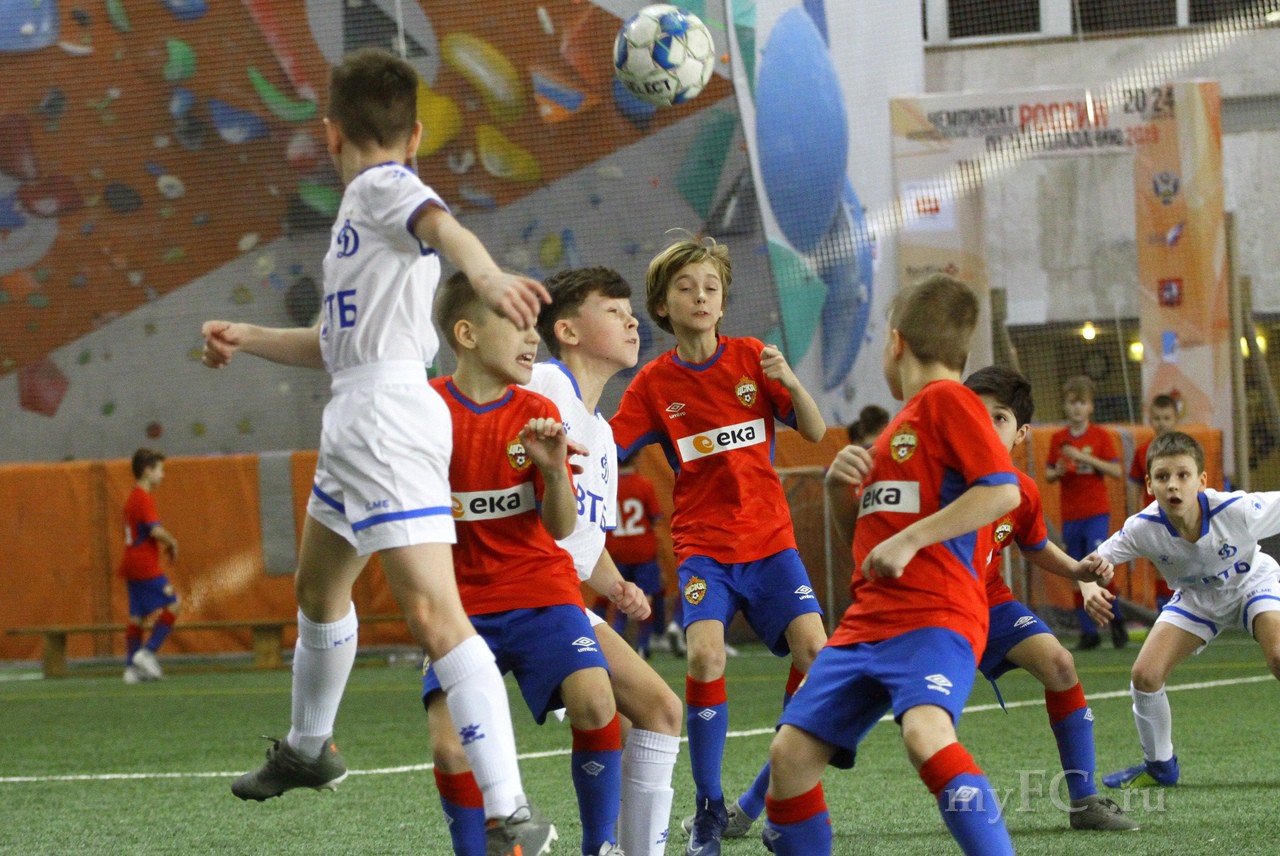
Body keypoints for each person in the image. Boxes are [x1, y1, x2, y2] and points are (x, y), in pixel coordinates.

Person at [199, 48, 553, 855]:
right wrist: (246, 335)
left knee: (433, 614)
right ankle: (309, 748)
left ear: (330, 133)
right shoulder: (362, 222)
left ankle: (511, 811)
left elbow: (443, 224)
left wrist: (487, 276)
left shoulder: (380, 185)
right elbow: (336, 347)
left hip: (387, 422)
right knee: (319, 587)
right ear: (417, 131)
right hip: (358, 415)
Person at [762, 273, 1022, 856]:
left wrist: (910, 540)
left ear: (896, 342)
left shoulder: (949, 400)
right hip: (867, 623)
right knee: (790, 756)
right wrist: (839, 494)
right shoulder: (894, 435)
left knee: (926, 734)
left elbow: (1002, 491)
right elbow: (866, 552)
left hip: (934, 616)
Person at [611, 233, 828, 856]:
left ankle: (762, 797)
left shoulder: (754, 357)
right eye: (686, 288)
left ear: (724, 302)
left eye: (711, 287)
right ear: (663, 306)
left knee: (817, 655)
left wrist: (791, 380)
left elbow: (814, 431)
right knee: (705, 658)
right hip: (704, 546)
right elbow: (608, 446)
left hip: (771, 543)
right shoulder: (653, 384)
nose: (701, 296)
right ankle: (708, 808)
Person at [424, 270, 621, 856]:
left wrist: (555, 470)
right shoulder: (426, 412)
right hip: (459, 605)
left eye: (535, 325)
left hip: (542, 590)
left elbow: (560, 527)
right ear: (466, 334)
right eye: (515, 323)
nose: (533, 337)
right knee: (449, 749)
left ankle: (601, 846)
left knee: (596, 701)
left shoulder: (538, 411)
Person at [526, 266, 683, 856]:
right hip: (515, 587)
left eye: (630, 310)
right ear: (566, 330)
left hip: (560, 593)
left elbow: (583, 547)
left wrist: (617, 586)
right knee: (633, 708)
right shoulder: (543, 383)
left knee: (656, 712)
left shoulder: (605, 440)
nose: (631, 320)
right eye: (613, 309)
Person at [963, 366, 1137, 831]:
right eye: (974, 413)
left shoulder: (1021, 491)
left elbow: (1035, 545)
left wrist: (1079, 572)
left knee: (1060, 664)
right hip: (931, 609)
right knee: (898, 707)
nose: (985, 425)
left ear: (1020, 433)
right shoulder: (938, 480)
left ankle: (1084, 801)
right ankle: (783, 796)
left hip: (989, 601)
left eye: (999, 417)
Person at [1086, 431, 1280, 790]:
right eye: (1162, 477)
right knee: (1145, 676)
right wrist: (1088, 587)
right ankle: (1160, 767)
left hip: (1252, 584)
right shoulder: (1142, 528)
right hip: (1197, 598)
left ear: (1201, 480)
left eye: (1183, 475)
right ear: (1149, 484)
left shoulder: (1237, 510)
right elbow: (1092, 564)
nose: (1173, 485)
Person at [1046, 374, 1128, 650]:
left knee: (1100, 566)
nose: (1077, 408)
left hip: (1096, 512)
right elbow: (1048, 474)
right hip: (1070, 515)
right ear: (1065, 406)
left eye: (1082, 403)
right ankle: (1088, 631)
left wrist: (1084, 458)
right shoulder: (1058, 439)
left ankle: (1116, 620)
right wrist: (1058, 471)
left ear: (1090, 406)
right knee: (1075, 570)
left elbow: (1115, 470)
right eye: (1072, 403)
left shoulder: (1100, 436)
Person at [118, 447, 181, 684]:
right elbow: (154, 530)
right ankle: (147, 653)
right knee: (174, 604)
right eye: (160, 470)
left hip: (131, 562)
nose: (163, 475)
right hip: (144, 564)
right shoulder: (143, 497)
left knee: (137, 617)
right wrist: (172, 541)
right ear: (147, 471)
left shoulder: (132, 498)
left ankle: (131, 669)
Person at [605, 457, 666, 658]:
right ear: (637, 458)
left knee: (619, 597)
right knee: (645, 598)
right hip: (643, 552)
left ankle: (616, 643)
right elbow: (655, 518)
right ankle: (643, 645)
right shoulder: (644, 484)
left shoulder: (609, 486)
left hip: (617, 551)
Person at [1127, 394, 1180, 611]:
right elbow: (1133, 484)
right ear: (1150, 419)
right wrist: (1134, 515)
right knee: (1161, 565)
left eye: (1166, 418)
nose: (1162, 423)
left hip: (1182, 516)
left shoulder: (1184, 450)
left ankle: (1188, 611)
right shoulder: (1143, 451)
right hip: (1156, 519)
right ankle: (1164, 613)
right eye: (1157, 418)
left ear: (1175, 419)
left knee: (1184, 563)